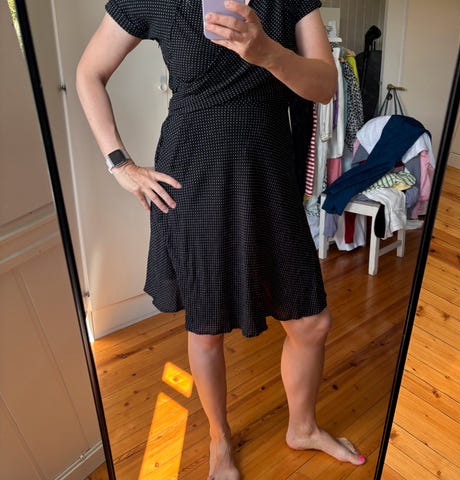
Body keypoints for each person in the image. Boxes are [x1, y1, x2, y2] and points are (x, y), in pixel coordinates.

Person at [76, 1, 366, 478]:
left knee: (311, 324)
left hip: (269, 176)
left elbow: (325, 85)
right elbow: (89, 72)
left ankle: (303, 427)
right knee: (206, 327)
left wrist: (267, 52)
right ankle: (219, 439)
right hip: (194, 176)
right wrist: (119, 164)